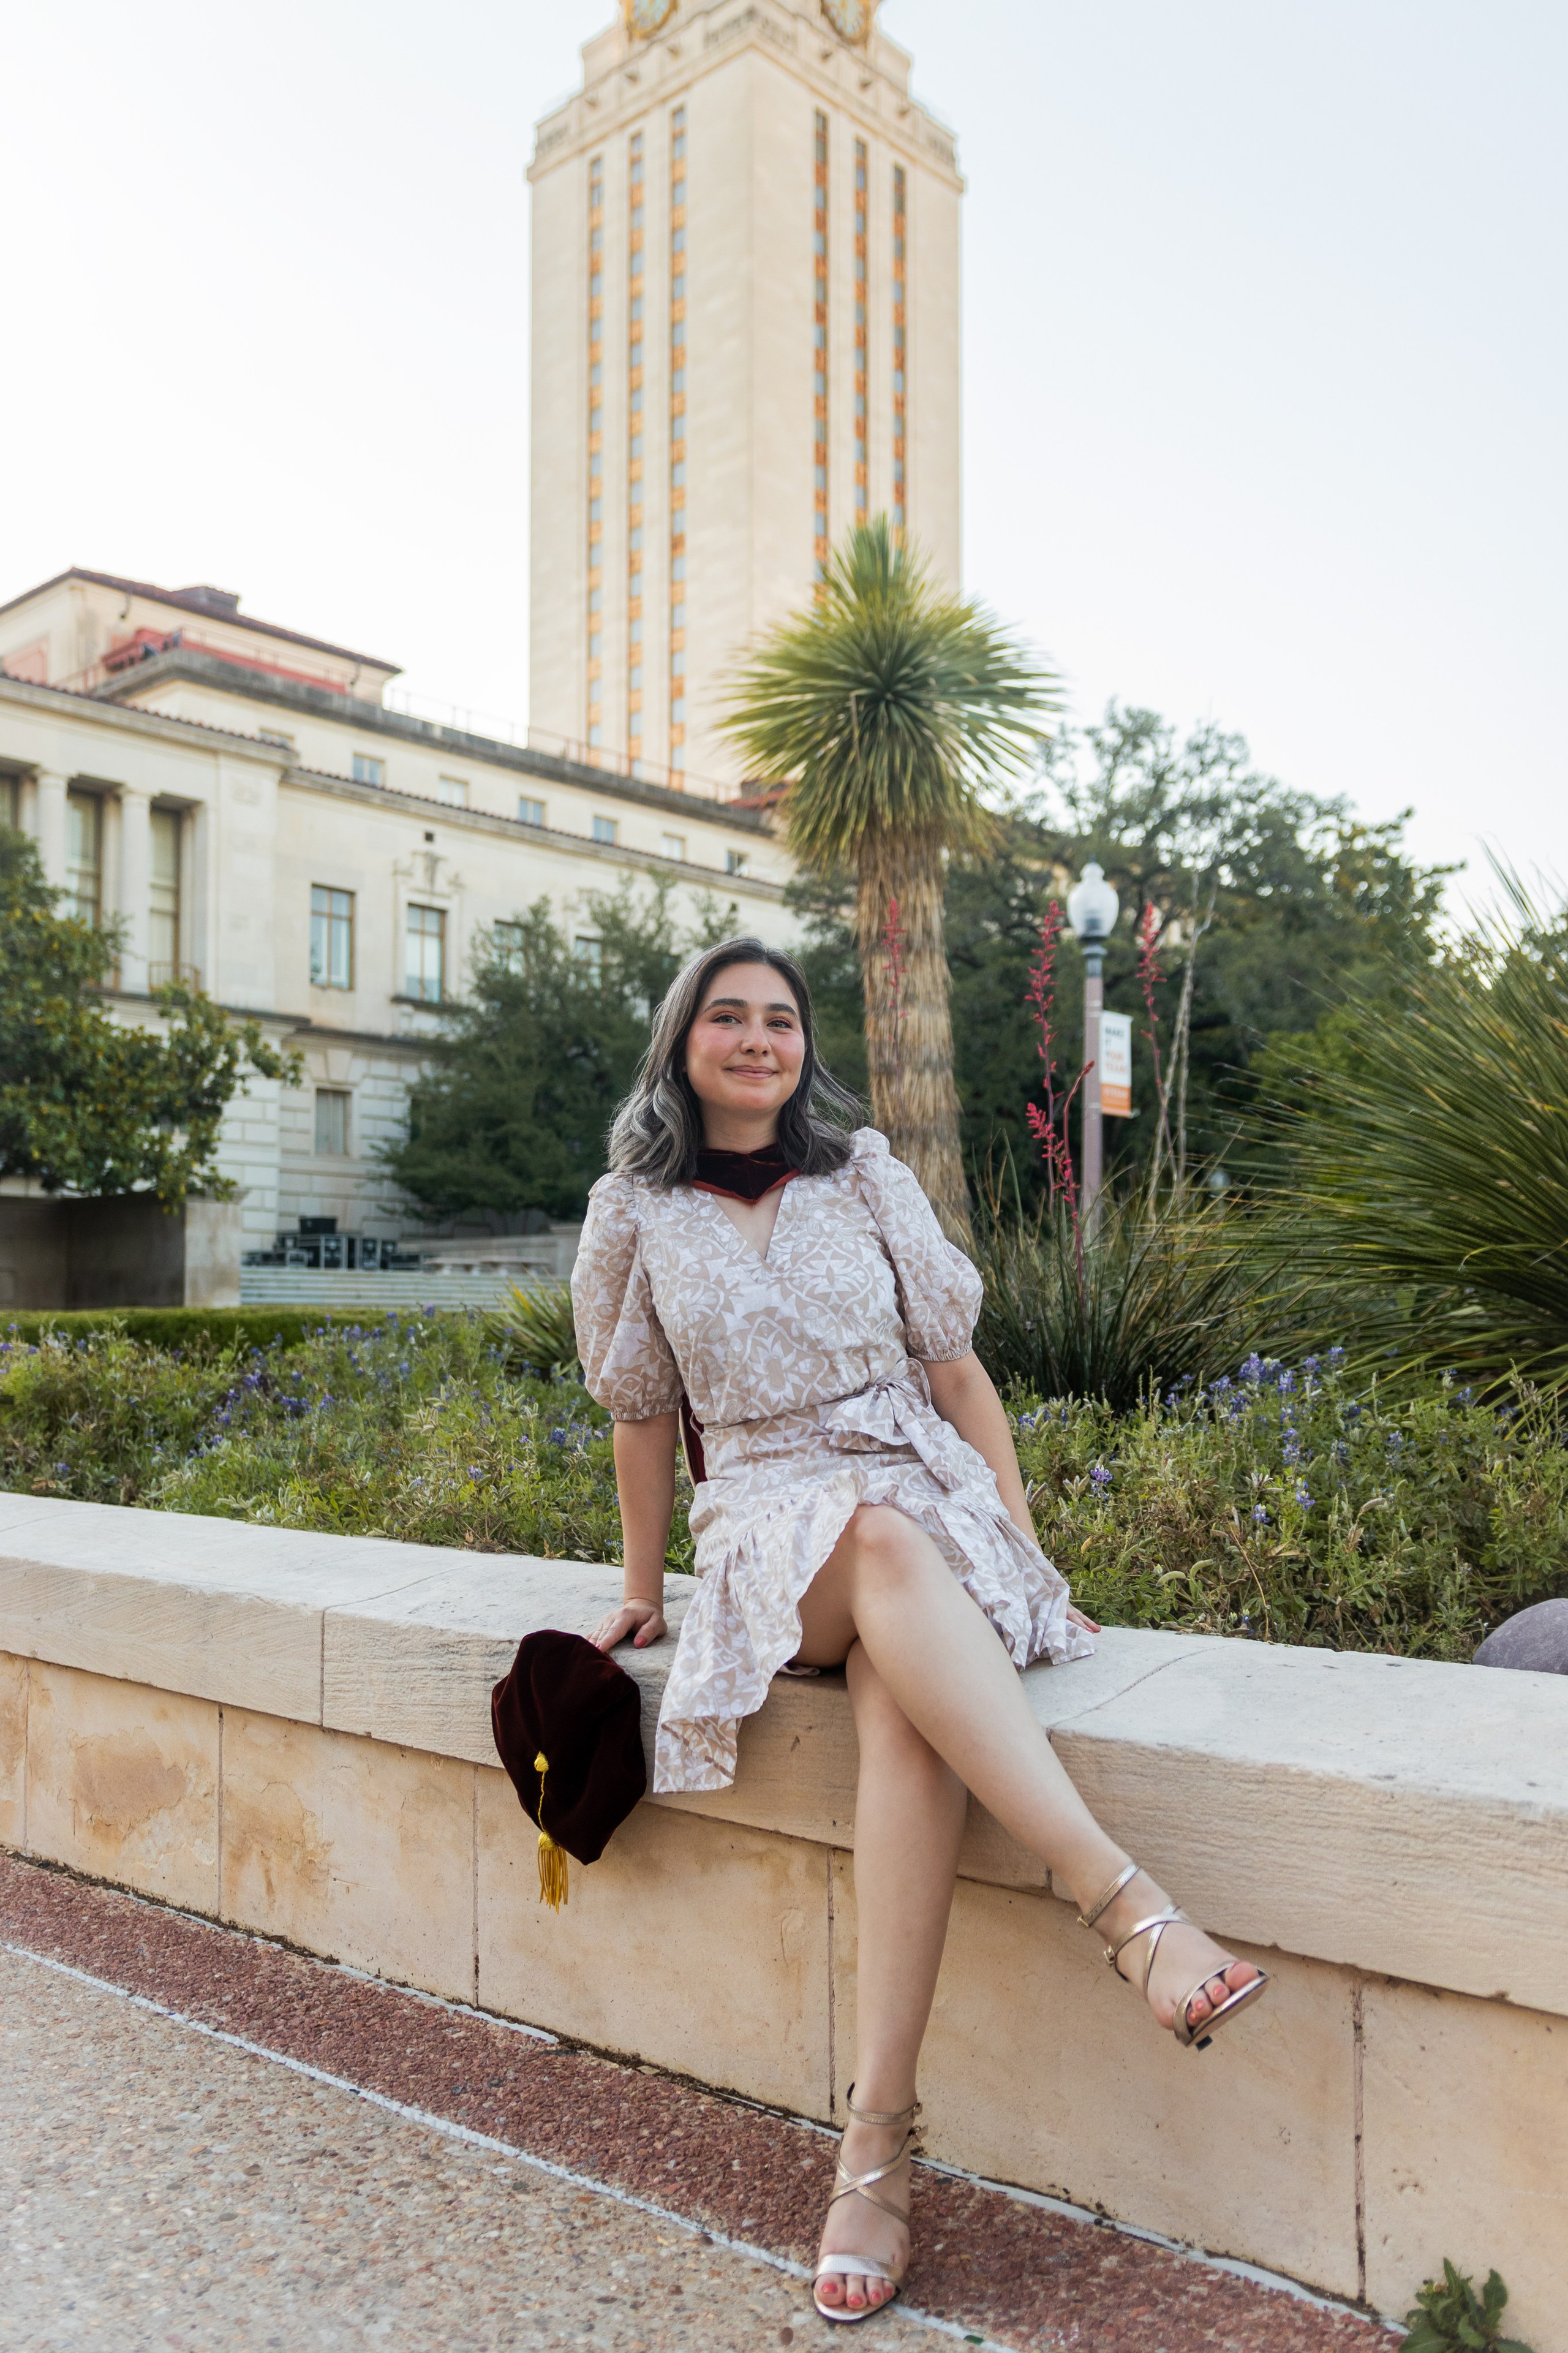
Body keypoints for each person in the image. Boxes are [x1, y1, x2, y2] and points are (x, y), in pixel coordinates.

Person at [573, 937, 1267, 2328]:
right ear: (683, 1042)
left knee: (907, 1712)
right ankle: (1126, 1911)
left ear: (801, 1045)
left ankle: (873, 2152)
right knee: (876, 1547)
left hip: (918, 1495)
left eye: (780, 1017)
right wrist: (642, 1582)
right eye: (728, 1016)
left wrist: (1017, 1545)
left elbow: (956, 1371)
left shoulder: (863, 1172)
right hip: (778, 1517)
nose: (757, 1037)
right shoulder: (631, 1211)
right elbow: (640, 1415)